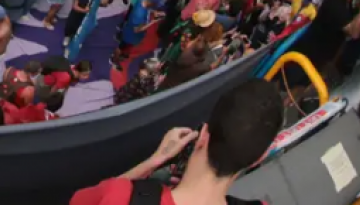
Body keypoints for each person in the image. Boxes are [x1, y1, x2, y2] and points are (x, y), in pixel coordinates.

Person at [70, 79, 283, 205]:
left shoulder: (120, 196)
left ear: (203, 135)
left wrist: (153, 162)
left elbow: (79, 201)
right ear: (259, 158)